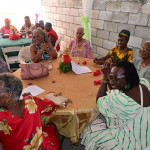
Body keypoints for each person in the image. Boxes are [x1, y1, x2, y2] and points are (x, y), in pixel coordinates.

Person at [81, 61, 150, 150]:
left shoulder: (121, 101)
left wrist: (105, 77)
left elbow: (100, 101)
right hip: (146, 134)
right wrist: (113, 77)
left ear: (128, 78)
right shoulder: (144, 83)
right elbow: (116, 86)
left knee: (90, 127)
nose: (112, 81)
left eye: (116, 78)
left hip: (135, 142)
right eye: (111, 77)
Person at [0, 73, 60, 150]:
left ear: (10, 94)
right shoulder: (31, 101)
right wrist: (30, 98)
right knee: (51, 126)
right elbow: (50, 106)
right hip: (41, 148)